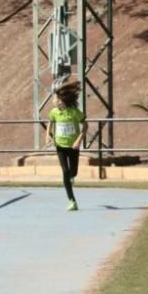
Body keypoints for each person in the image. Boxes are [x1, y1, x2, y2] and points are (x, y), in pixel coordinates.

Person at [46, 80, 86, 211]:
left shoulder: (74, 112)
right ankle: (72, 201)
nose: (53, 100)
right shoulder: (54, 112)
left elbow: (85, 125)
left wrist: (79, 139)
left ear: (61, 100)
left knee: (73, 172)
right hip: (60, 146)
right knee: (65, 171)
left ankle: (71, 177)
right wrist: (48, 135)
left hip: (73, 146)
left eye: (55, 98)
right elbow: (50, 122)